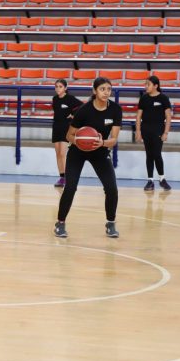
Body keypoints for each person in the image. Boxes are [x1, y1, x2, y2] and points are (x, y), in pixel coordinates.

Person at [53, 77, 122, 239]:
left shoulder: (115, 110)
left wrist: (101, 143)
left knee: (111, 188)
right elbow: (69, 135)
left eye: (109, 89)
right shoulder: (84, 110)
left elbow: (114, 139)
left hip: (100, 150)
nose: (106, 92)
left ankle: (110, 223)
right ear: (94, 91)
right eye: (102, 89)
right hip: (78, 151)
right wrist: (80, 141)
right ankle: (60, 223)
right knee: (70, 187)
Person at [136, 75, 172, 191]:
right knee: (149, 155)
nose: (146, 86)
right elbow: (138, 116)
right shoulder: (144, 98)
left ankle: (162, 179)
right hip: (146, 129)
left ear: (156, 86)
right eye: (145, 84)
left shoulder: (163, 98)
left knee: (157, 154)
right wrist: (138, 131)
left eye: (148, 84)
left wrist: (166, 132)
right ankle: (150, 180)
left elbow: (168, 117)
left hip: (158, 129)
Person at [51, 78, 83, 187]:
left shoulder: (70, 98)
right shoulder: (55, 99)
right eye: (56, 86)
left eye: (60, 86)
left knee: (62, 154)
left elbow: (82, 106)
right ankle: (61, 177)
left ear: (65, 88)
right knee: (58, 154)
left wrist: (73, 115)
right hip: (56, 127)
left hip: (66, 128)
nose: (58, 89)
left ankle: (67, 178)